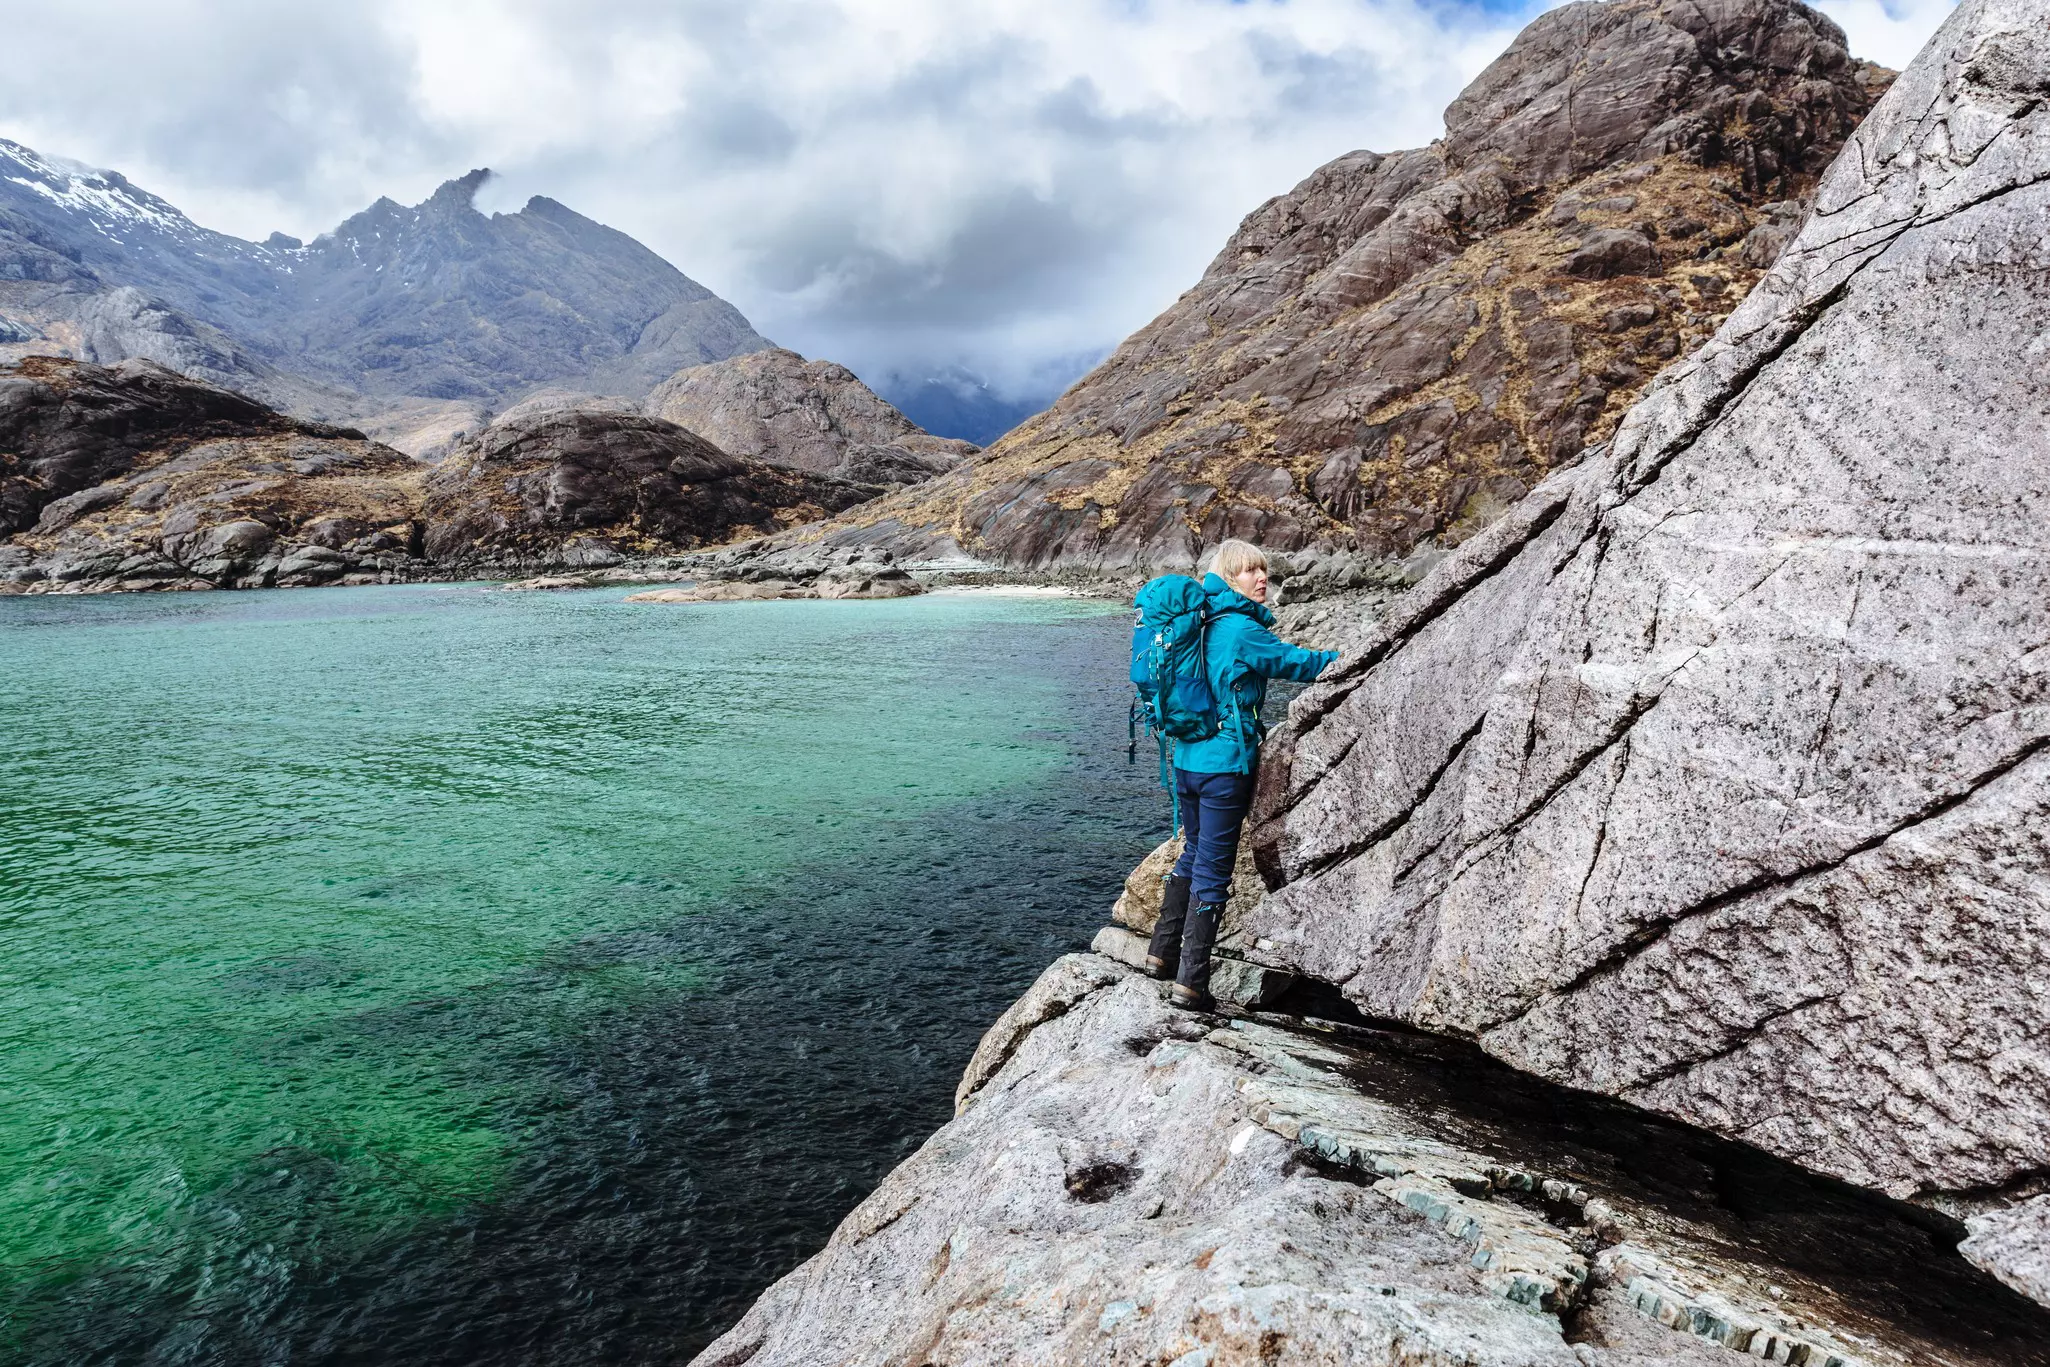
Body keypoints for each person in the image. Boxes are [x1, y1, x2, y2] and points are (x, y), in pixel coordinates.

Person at [1146, 540, 1338, 1010]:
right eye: (1249, 570)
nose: (1261, 578)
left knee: (1193, 853)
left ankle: (1159, 955)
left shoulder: (1200, 624)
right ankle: (1191, 983)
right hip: (1224, 767)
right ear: (1229, 578)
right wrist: (1353, 656)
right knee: (1213, 867)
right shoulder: (1239, 629)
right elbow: (1298, 663)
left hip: (1187, 760)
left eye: (1263, 569)